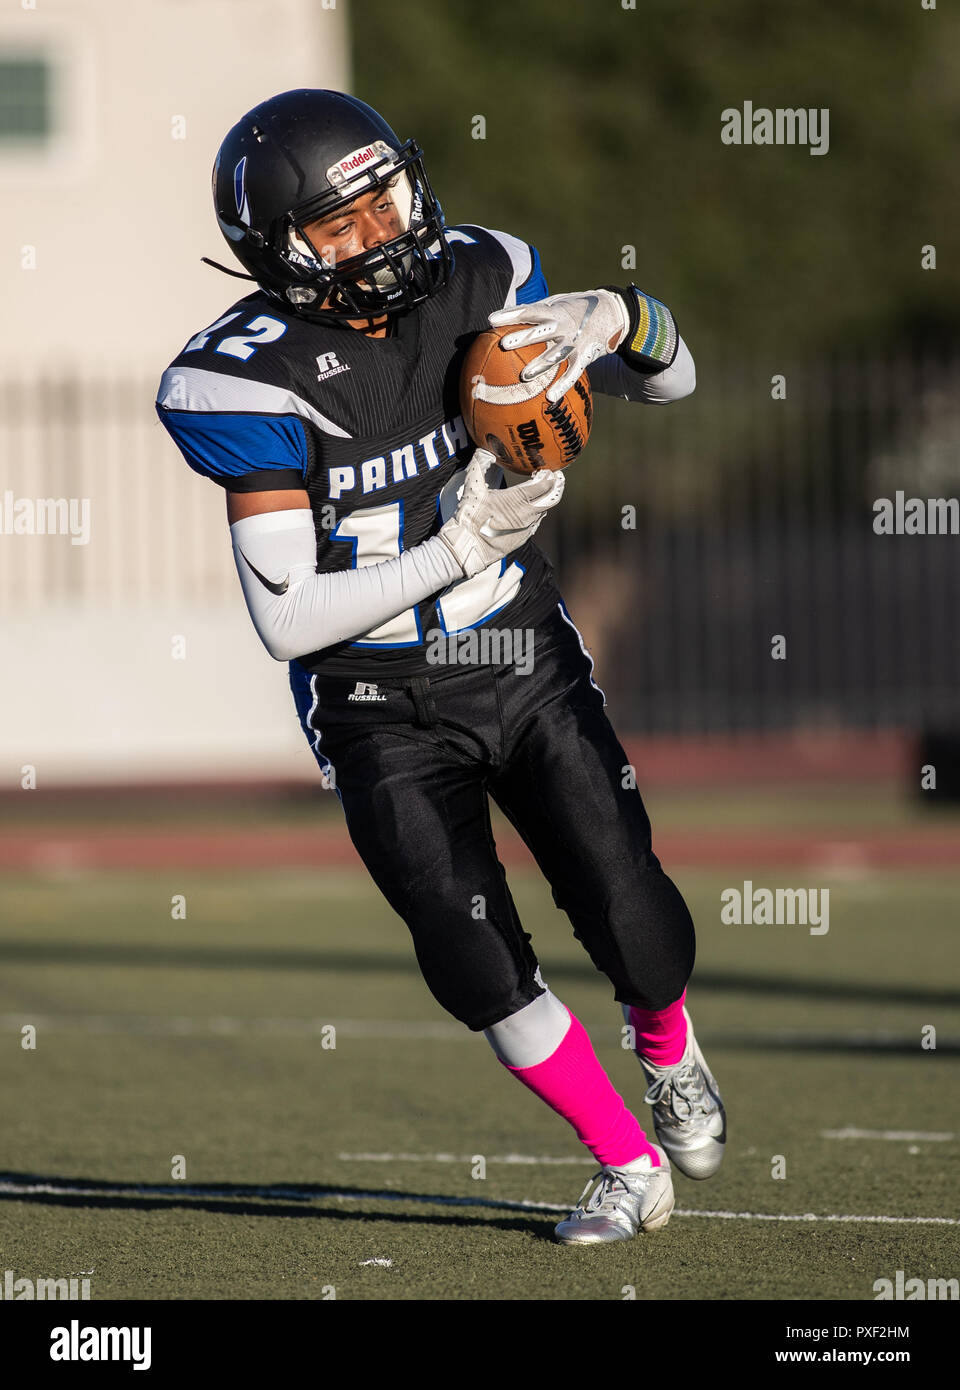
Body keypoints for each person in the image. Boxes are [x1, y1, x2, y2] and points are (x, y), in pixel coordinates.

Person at [155, 88, 725, 1245]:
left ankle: (670, 1052)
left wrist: (621, 315)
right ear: (279, 253)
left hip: (518, 650)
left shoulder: (484, 276)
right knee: (468, 954)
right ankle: (625, 1161)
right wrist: (459, 542)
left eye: (386, 200)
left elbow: (674, 383)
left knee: (634, 913)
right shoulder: (246, 379)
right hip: (373, 699)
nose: (381, 233)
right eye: (341, 225)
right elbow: (290, 620)